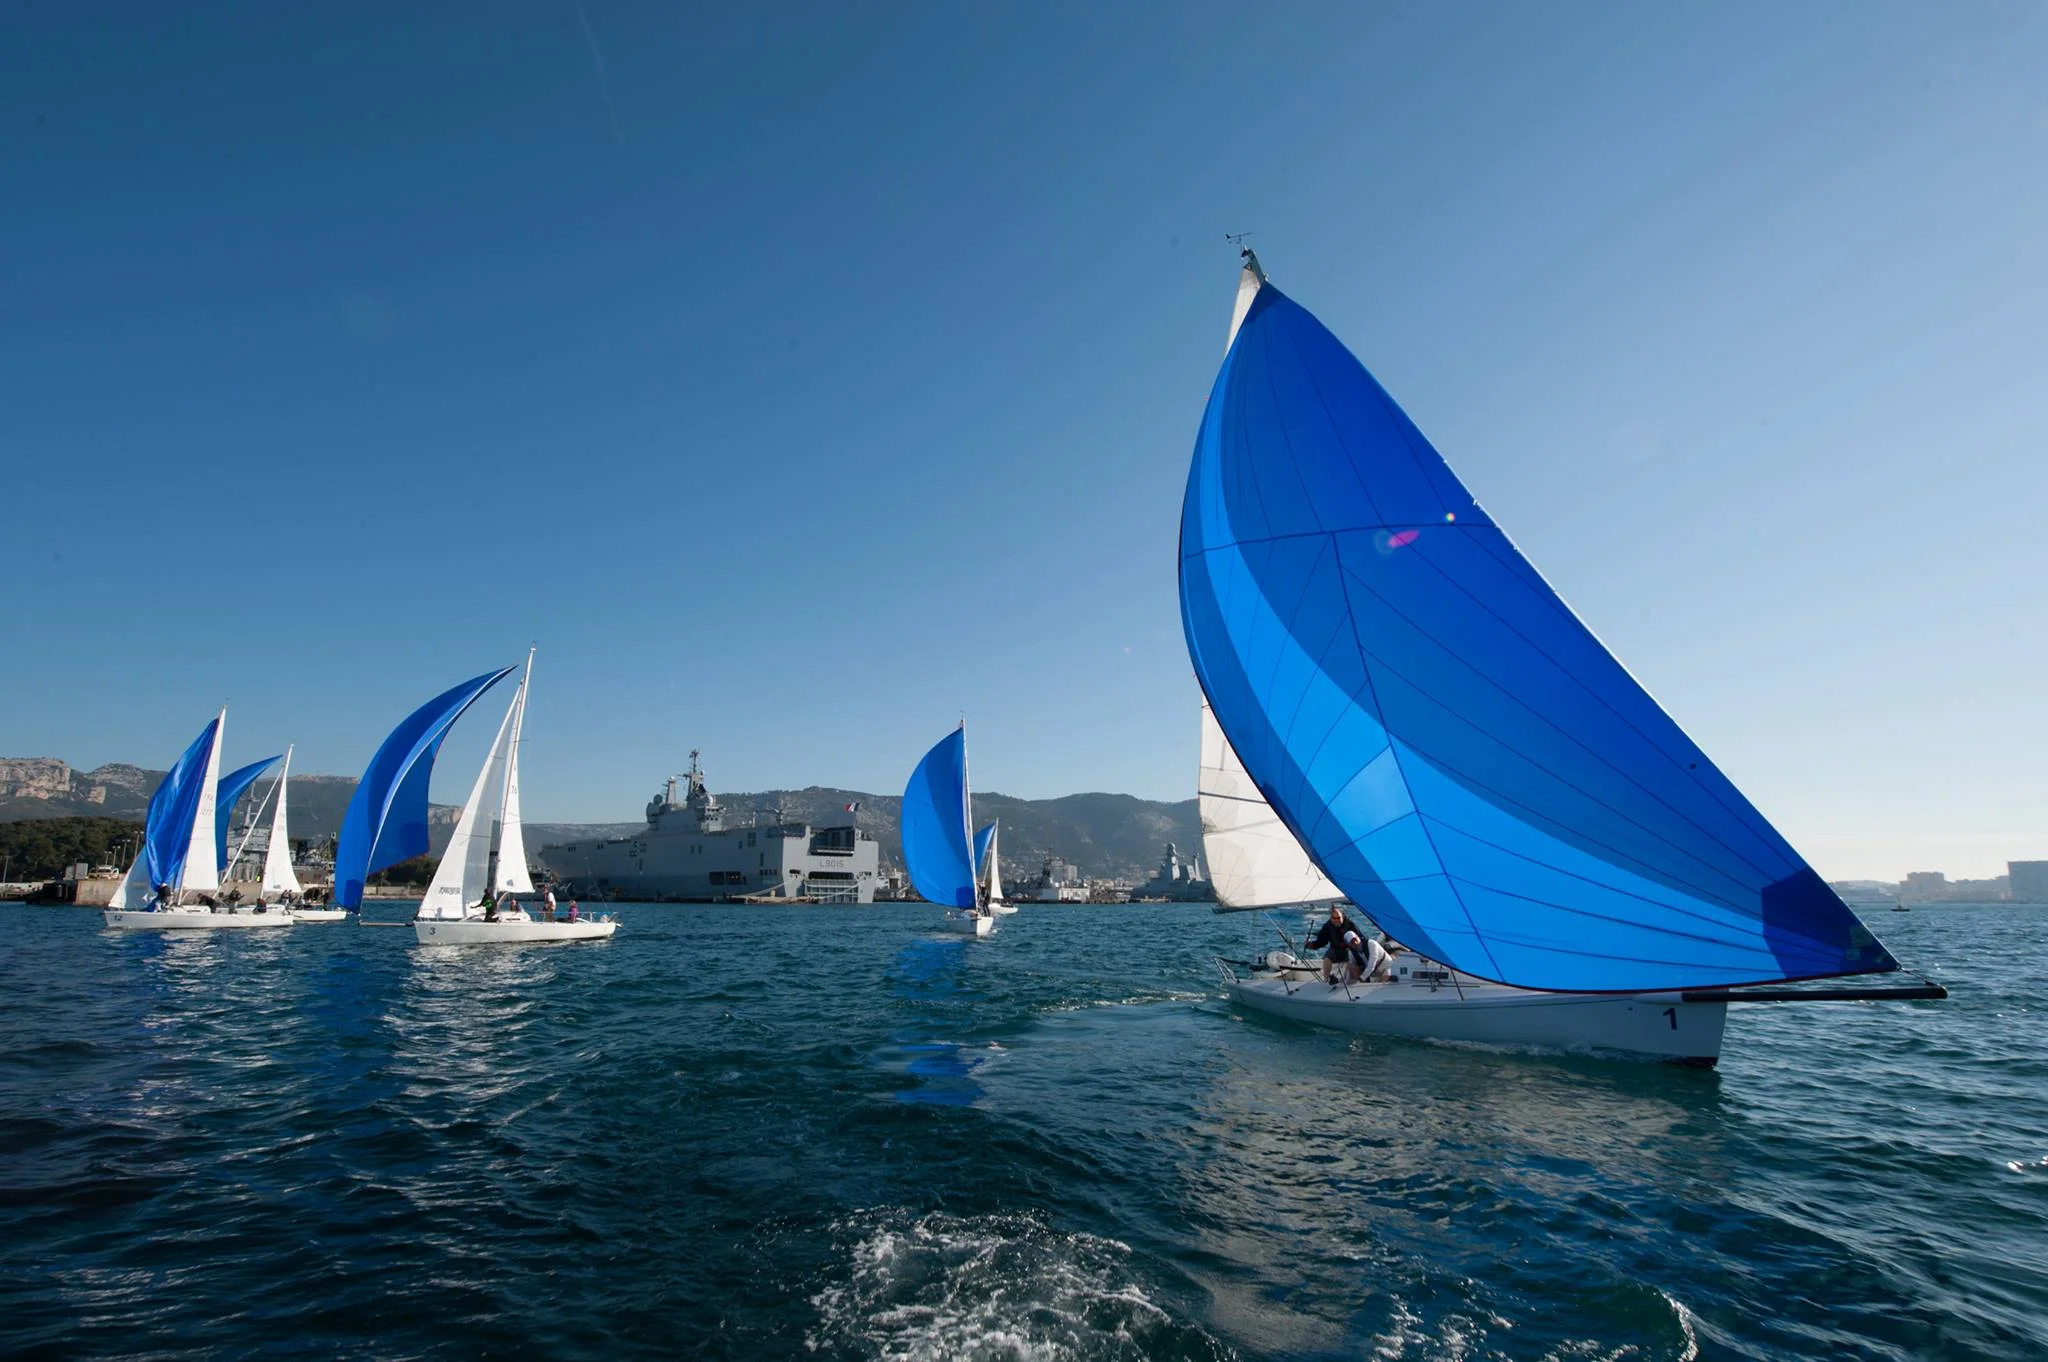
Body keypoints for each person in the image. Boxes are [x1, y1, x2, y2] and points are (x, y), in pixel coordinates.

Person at [1304, 905, 1362, 984]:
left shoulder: (1350, 925)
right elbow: (1322, 941)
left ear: (1342, 917)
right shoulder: (1327, 926)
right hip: (1335, 950)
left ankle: (1346, 982)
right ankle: (1326, 981)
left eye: (1338, 918)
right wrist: (1311, 945)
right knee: (1327, 959)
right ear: (1331, 918)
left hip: (1350, 951)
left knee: (1351, 962)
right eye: (1334, 918)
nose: (1336, 920)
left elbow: (1360, 938)